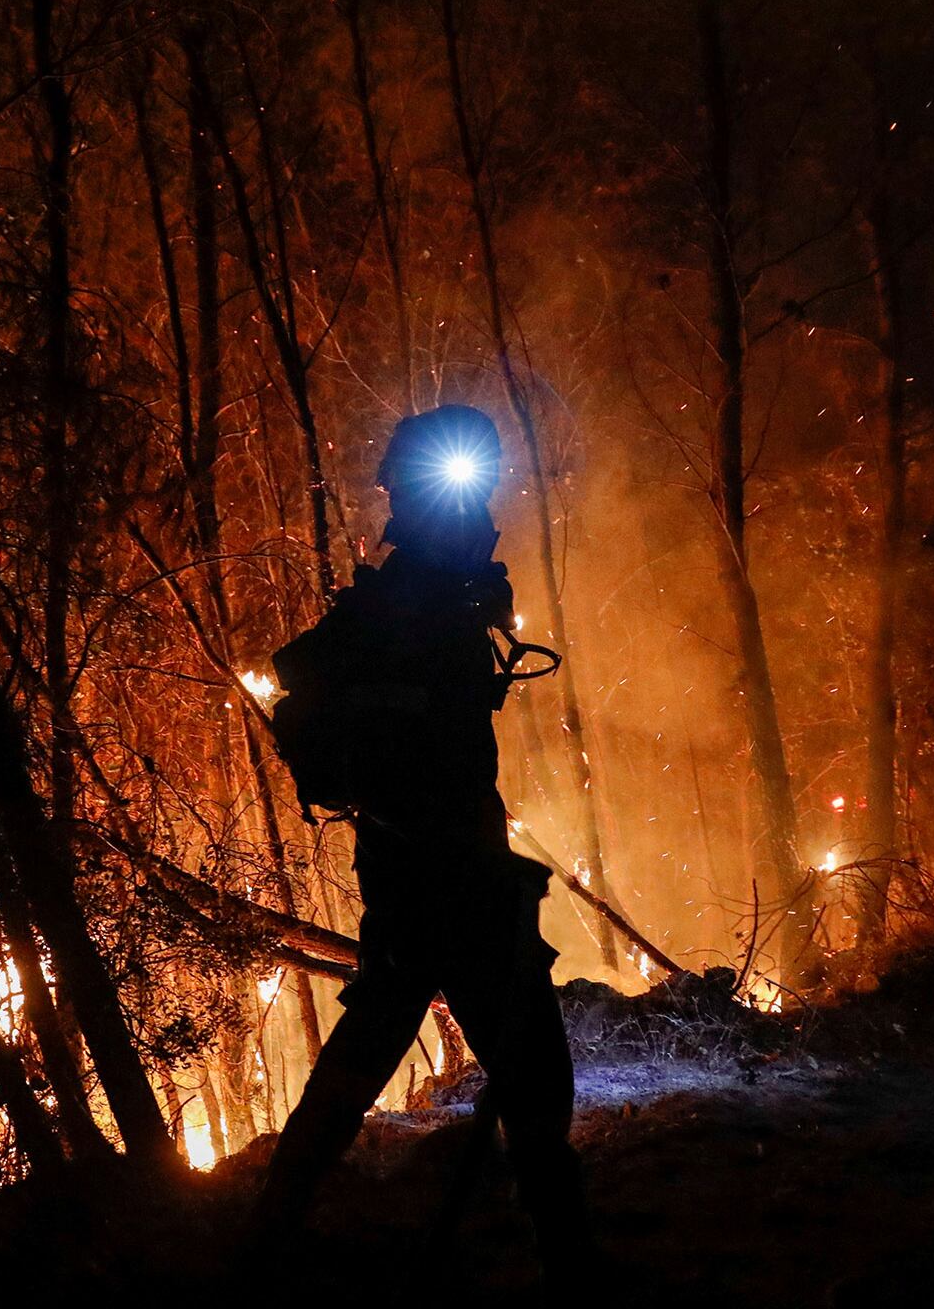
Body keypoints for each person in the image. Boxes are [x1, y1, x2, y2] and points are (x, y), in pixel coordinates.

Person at [253, 404, 590, 1276]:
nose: (483, 523)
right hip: (440, 864)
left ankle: (267, 1230)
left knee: (377, 1050)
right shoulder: (404, 602)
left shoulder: (433, 598)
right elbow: (314, 676)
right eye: (469, 506)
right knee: (530, 1071)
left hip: (429, 861)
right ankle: (568, 1259)